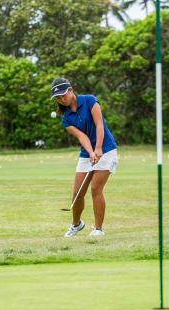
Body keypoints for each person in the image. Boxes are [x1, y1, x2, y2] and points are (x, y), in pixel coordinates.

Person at [51, 78, 118, 237]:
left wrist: (99, 148)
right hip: (87, 153)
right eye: (58, 98)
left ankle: (98, 229)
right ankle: (76, 224)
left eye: (63, 95)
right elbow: (82, 138)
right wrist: (91, 152)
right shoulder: (66, 119)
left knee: (96, 189)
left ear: (71, 90)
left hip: (106, 149)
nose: (62, 99)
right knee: (77, 193)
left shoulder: (90, 100)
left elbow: (99, 124)